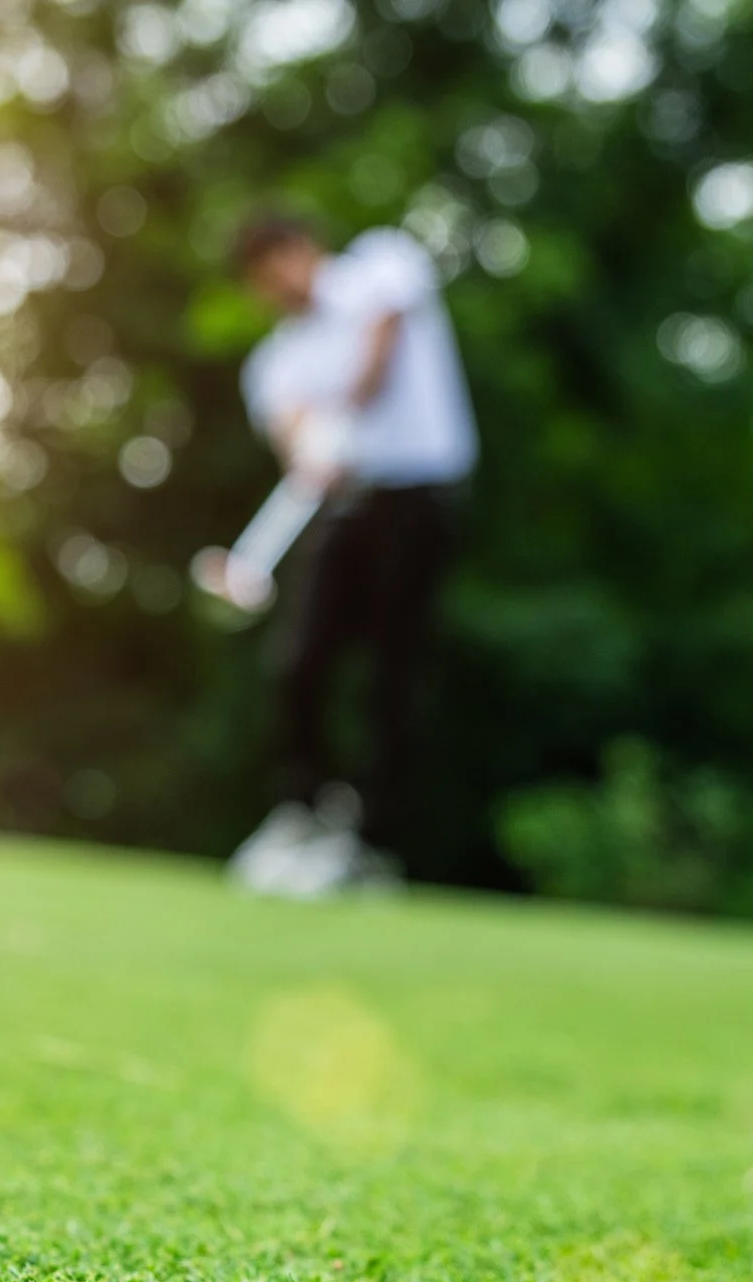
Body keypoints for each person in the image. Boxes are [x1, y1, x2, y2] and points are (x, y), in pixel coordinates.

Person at [220, 214, 476, 898]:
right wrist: (312, 448)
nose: (270, 288)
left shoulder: (381, 265)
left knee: (393, 674)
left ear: (298, 250)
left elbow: (381, 346)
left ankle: (374, 847)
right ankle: (304, 811)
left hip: (419, 494)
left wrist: (346, 410)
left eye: (270, 269)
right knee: (299, 659)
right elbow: (293, 431)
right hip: (345, 506)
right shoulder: (277, 359)